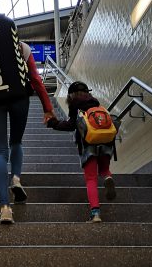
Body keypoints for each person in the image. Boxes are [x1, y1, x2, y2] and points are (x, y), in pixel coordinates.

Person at [0, 14, 55, 225]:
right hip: (20, 99)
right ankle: (16, 179)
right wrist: (48, 108)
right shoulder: (23, 47)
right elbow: (35, 79)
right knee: (16, 142)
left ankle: (5, 208)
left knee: (0, 151)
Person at [47, 80, 117, 222]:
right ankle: (108, 178)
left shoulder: (75, 104)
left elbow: (71, 125)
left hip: (88, 144)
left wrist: (53, 123)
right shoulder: (96, 103)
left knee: (91, 178)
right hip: (106, 141)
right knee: (103, 170)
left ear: (72, 94)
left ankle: (95, 214)